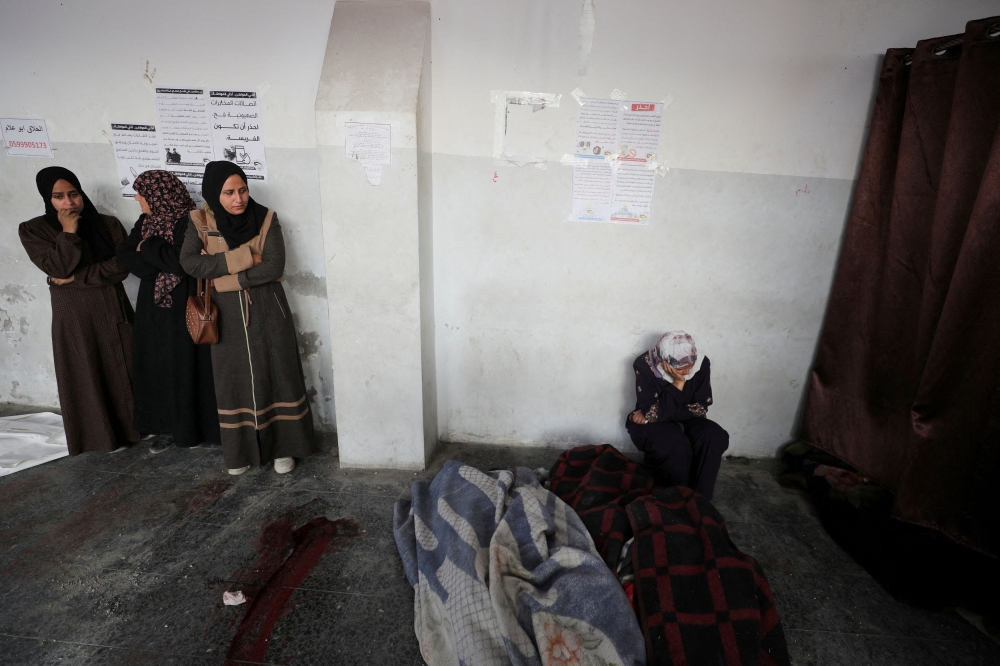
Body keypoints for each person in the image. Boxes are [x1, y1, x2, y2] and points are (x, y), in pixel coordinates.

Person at [179, 161, 314, 475]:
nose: (238, 198)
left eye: (242, 190)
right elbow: (189, 264)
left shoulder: (266, 218)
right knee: (232, 381)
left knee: (277, 375)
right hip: (224, 316)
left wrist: (221, 275)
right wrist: (243, 258)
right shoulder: (199, 221)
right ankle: (239, 453)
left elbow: (272, 267)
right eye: (228, 192)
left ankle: (283, 449)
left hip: (268, 311)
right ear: (214, 193)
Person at [18, 167, 138, 454]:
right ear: (48, 199)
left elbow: (121, 267)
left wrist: (76, 278)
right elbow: (57, 267)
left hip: (111, 306)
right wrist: (69, 233)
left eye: (73, 194)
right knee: (86, 371)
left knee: (126, 367)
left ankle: (136, 429)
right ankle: (101, 437)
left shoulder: (107, 225)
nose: (69, 203)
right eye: (58, 197)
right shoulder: (33, 229)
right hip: (74, 315)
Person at [116, 171, 221, 453]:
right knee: (155, 363)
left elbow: (180, 263)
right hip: (152, 305)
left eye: (142, 193)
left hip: (183, 303)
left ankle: (190, 430)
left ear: (159, 194)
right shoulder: (145, 221)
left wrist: (147, 247)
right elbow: (126, 257)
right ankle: (163, 425)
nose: (138, 198)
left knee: (183, 364)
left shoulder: (190, 221)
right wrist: (153, 258)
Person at [625, 331, 729, 499]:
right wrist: (678, 384)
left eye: (690, 367)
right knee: (672, 442)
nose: (687, 373)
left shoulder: (702, 363)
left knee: (714, 436)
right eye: (681, 369)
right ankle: (672, 500)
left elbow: (701, 408)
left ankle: (700, 500)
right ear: (664, 362)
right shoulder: (644, 364)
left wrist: (655, 414)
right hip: (653, 425)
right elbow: (652, 409)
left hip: (664, 419)